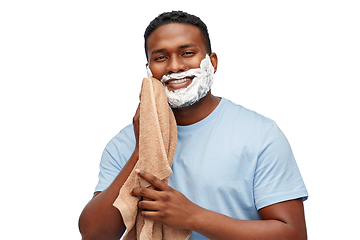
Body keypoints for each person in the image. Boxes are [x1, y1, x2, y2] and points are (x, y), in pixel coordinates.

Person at [79, 11, 308, 240]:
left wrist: (192, 217)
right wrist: (142, 149)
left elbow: (293, 234)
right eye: (160, 58)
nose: (175, 66)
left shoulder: (261, 135)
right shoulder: (124, 144)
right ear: (148, 69)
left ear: (212, 62)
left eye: (187, 53)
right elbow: (94, 234)